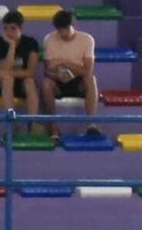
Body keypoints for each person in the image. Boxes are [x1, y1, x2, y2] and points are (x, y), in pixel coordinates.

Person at [40, 8, 100, 136]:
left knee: (91, 79)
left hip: (78, 81)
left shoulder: (87, 39)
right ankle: (53, 126)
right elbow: (48, 70)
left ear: (73, 25)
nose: (63, 33)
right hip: (58, 80)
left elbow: (87, 70)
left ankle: (91, 123)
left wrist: (65, 63)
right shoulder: (49, 39)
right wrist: (59, 75)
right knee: (46, 84)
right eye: (60, 30)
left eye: (66, 29)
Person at [0, 10, 41, 122]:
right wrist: (12, 46)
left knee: (29, 81)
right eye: (5, 28)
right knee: (8, 79)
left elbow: (31, 72)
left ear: (21, 29)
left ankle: (33, 123)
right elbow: (5, 68)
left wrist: (4, 72)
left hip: (21, 83)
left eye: (13, 28)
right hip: (0, 85)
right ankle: (11, 122)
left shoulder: (31, 43)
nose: (8, 32)